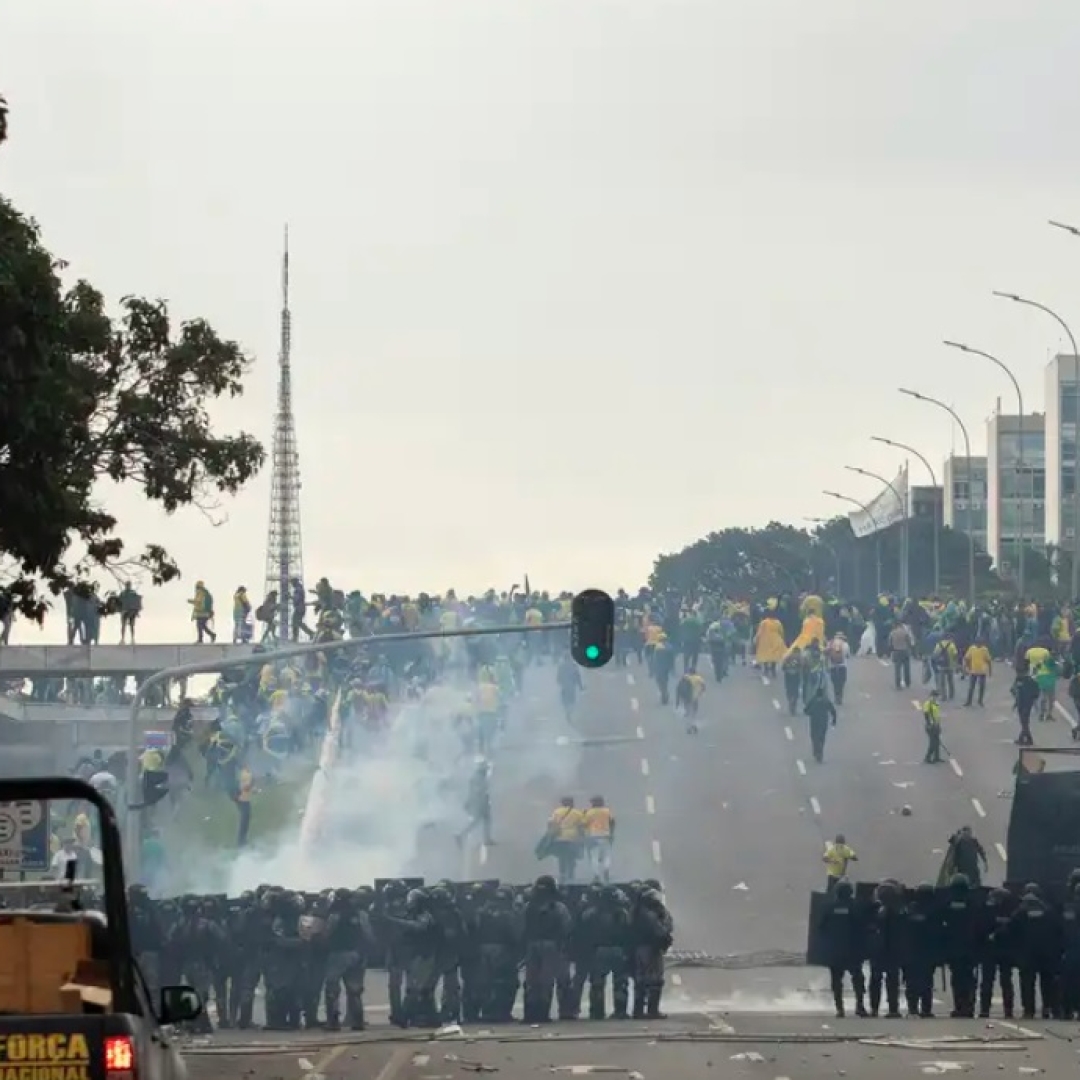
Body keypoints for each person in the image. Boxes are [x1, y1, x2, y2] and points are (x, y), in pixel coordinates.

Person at [804, 687, 836, 764]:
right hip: (823, 722)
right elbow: (833, 711)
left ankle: (817, 751)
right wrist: (834, 720)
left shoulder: (813, 700)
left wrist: (810, 713)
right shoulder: (826, 701)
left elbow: (806, 710)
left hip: (814, 722)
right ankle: (819, 751)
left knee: (814, 737)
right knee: (821, 737)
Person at [922, 690, 942, 764]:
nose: (936, 697)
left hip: (936, 725)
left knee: (937, 742)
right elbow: (926, 715)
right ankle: (927, 757)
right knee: (933, 743)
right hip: (931, 726)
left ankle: (937, 757)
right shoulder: (928, 704)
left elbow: (937, 715)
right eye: (935, 696)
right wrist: (930, 724)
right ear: (931, 696)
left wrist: (938, 725)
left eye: (937, 696)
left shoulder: (936, 703)